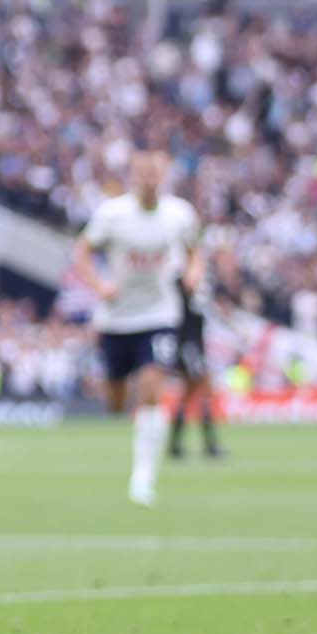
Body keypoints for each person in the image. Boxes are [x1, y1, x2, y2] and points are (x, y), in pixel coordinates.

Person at [69, 150, 200, 507]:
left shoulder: (180, 214)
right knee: (115, 400)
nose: (150, 180)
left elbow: (194, 252)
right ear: (133, 177)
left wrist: (192, 275)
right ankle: (128, 415)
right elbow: (81, 252)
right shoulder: (112, 215)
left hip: (159, 315)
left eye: (156, 174)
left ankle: (143, 477)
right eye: (144, 174)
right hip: (116, 318)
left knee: (151, 385)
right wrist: (99, 287)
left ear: (165, 175)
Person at [167, 260, 224, 462]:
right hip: (188, 347)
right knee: (203, 392)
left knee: (189, 395)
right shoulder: (178, 290)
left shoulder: (196, 291)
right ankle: (209, 445)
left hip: (194, 346)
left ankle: (175, 445)